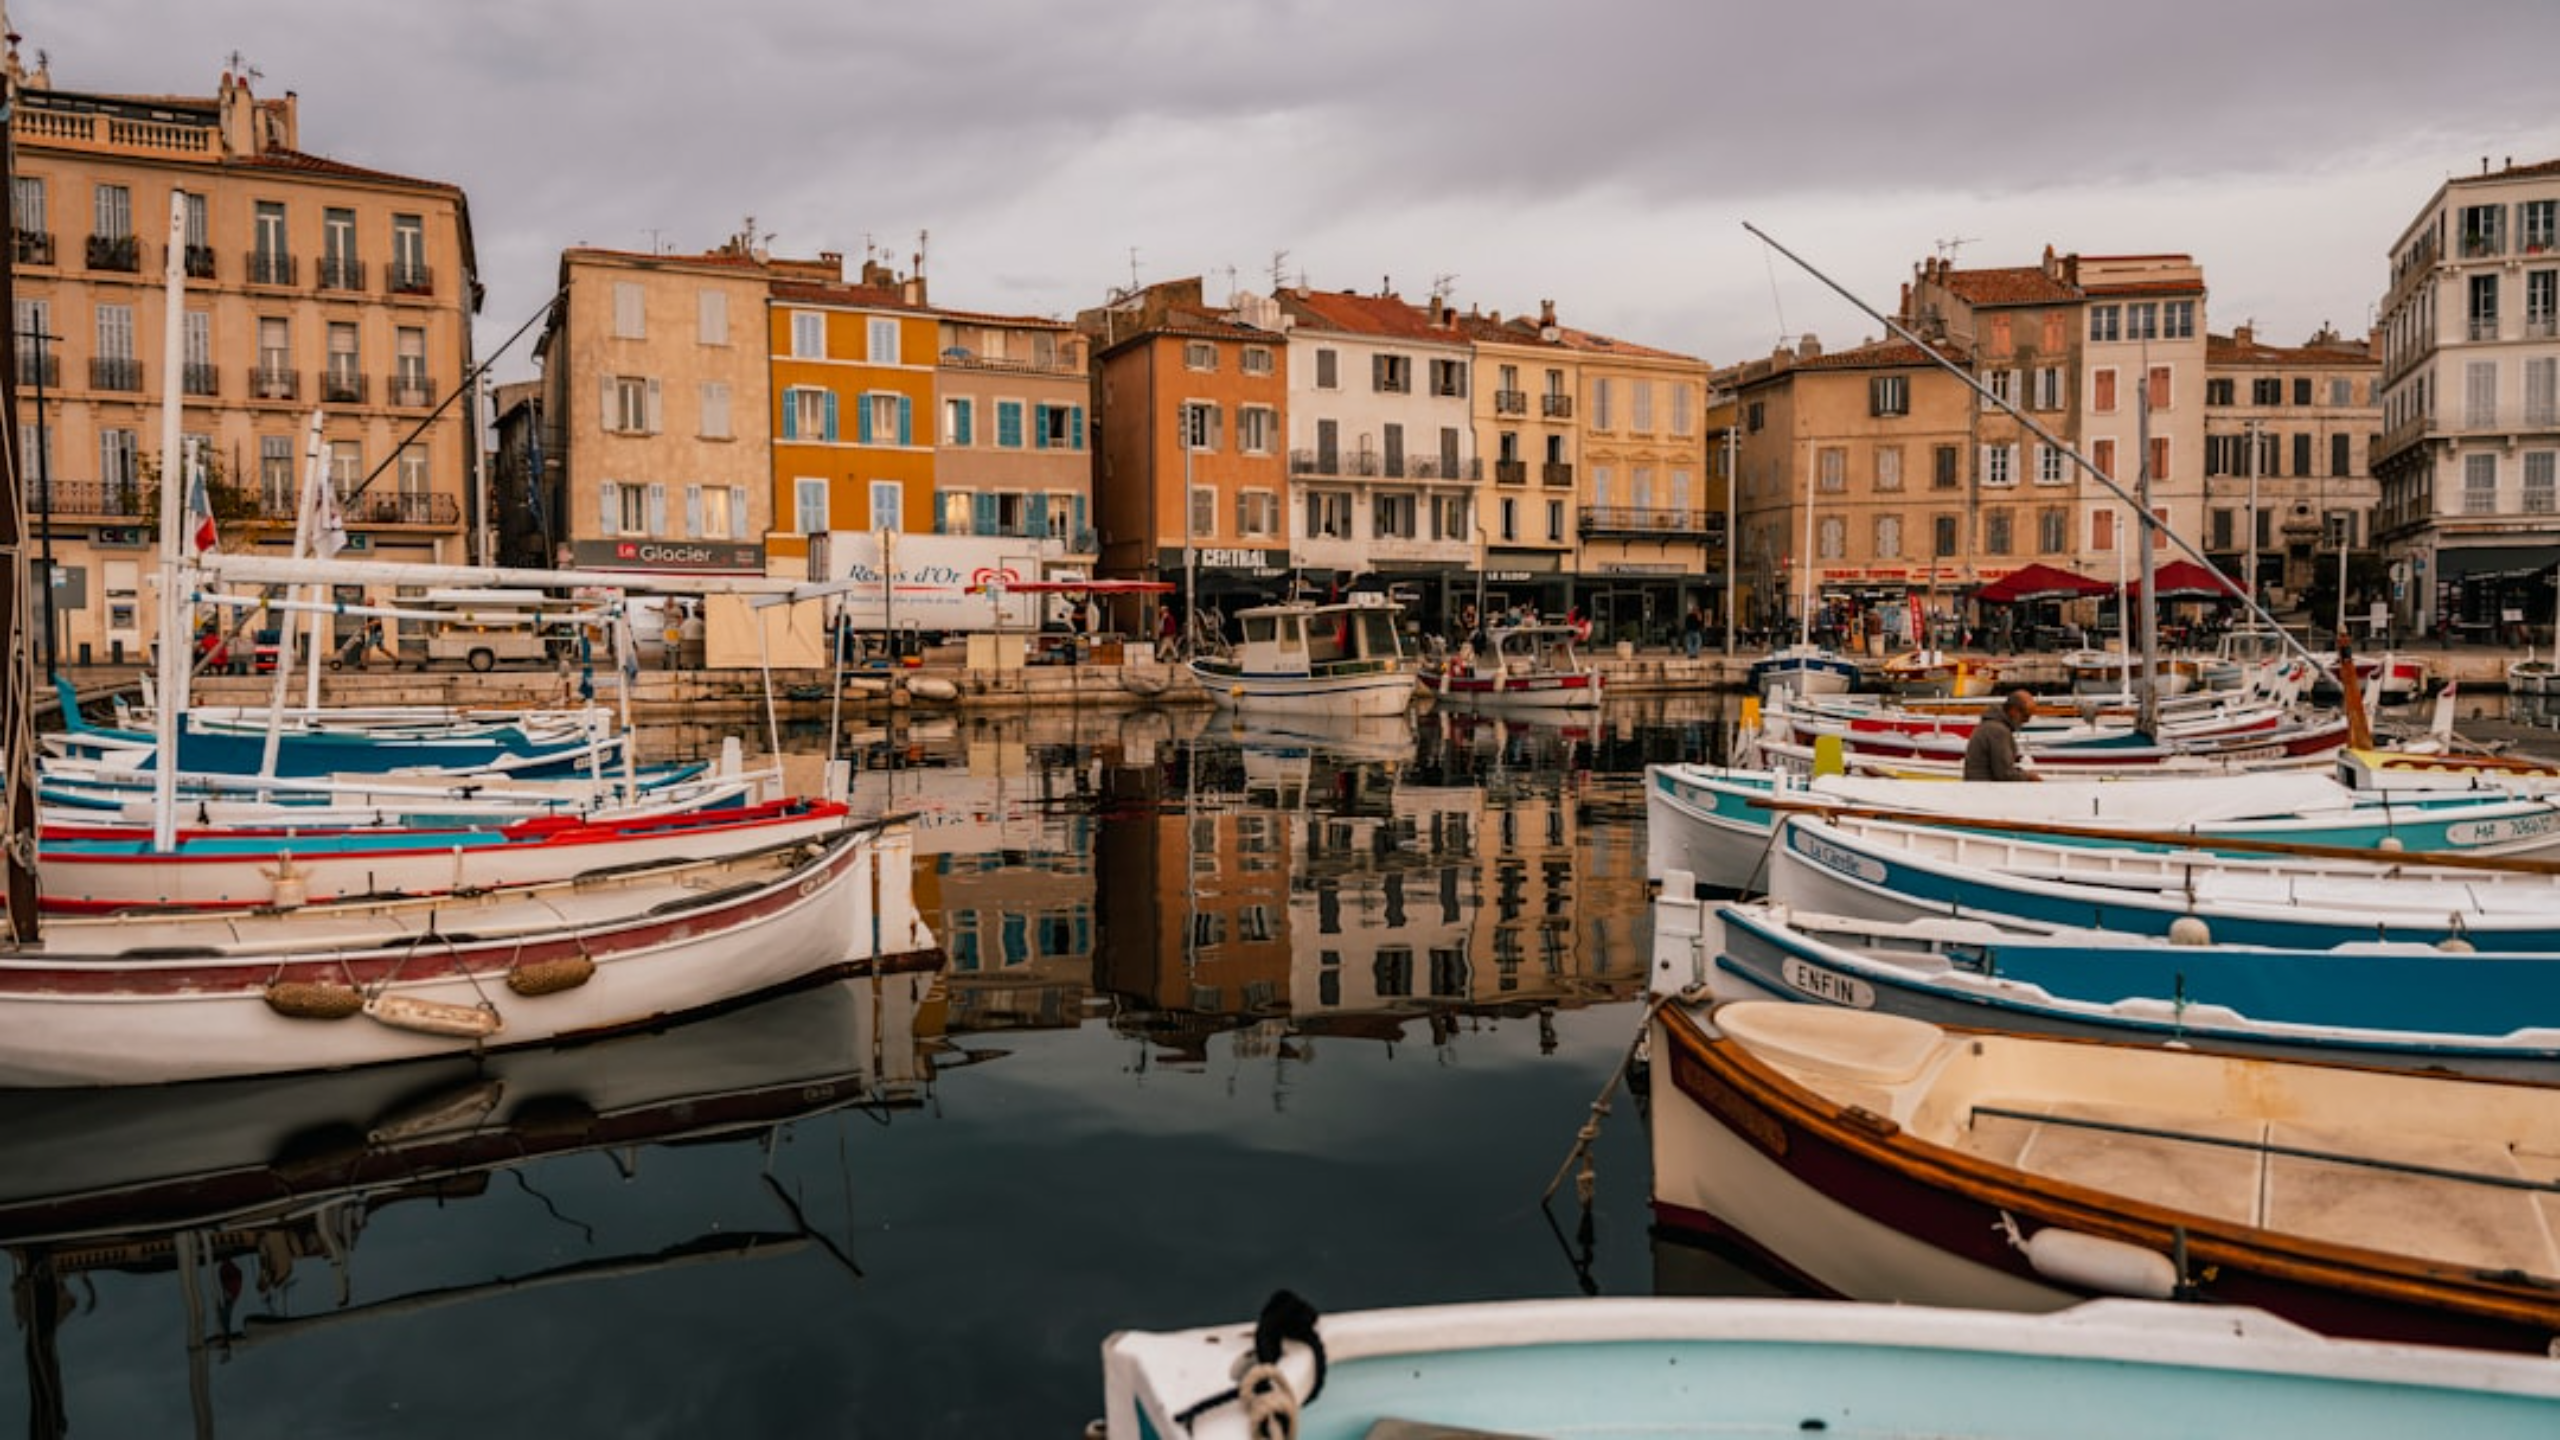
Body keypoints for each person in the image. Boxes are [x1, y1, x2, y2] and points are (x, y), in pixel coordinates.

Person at [1962, 688, 2039, 782]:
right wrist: (2028, 777)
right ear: (2013, 710)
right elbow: (2004, 774)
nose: (2027, 721)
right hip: (1984, 789)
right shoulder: (1999, 732)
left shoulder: (1990, 725)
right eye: (2026, 716)